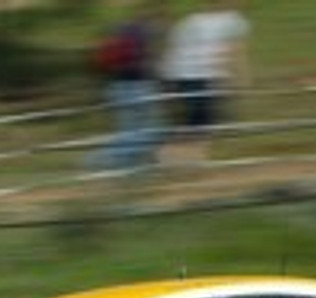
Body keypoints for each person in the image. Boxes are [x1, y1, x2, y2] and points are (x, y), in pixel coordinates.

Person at [160, 0, 251, 162]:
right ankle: (185, 162)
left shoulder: (190, 20)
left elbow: (173, 50)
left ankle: (174, 159)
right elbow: (234, 53)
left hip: (178, 76)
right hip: (204, 76)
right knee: (205, 125)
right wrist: (241, 81)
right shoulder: (235, 20)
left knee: (191, 122)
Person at [90, 1, 167, 171]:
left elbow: (107, 60)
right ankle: (104, 161)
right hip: (139, 86)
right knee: (151, 127)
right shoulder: (145, 33)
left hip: (117, 87)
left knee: (128, 129)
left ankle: (133, 163)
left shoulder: (120, 29)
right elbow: (149, 63)